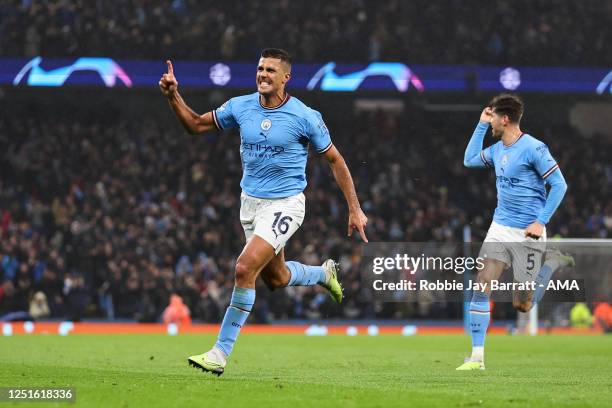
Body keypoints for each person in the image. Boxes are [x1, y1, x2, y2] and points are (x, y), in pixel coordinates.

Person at [159, 48, 368, 375]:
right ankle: (324, 274)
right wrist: (174, 96)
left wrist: (354, 209)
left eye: (271, 70)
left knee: (244, 268)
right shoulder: (240, 106)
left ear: (286, 77)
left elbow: (335, 161)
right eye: (260, 69)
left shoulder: (305, 116)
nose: (263, 75)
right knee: (276, 278)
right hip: (251, 205)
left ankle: (220, 353)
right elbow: (196, 125)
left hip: (286, 204)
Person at [458, 94, 573, 370]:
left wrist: (541, 221)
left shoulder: (534, 148)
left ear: (505, 119)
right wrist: (481, 125)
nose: (492, 120)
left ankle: (552, 264)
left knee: (522, 304)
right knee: (482, 282)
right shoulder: (497, 149)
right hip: (500, 227)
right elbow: (469, 160)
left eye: (493, 117)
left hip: (528, 233)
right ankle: (477, 358)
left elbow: (560, 185)